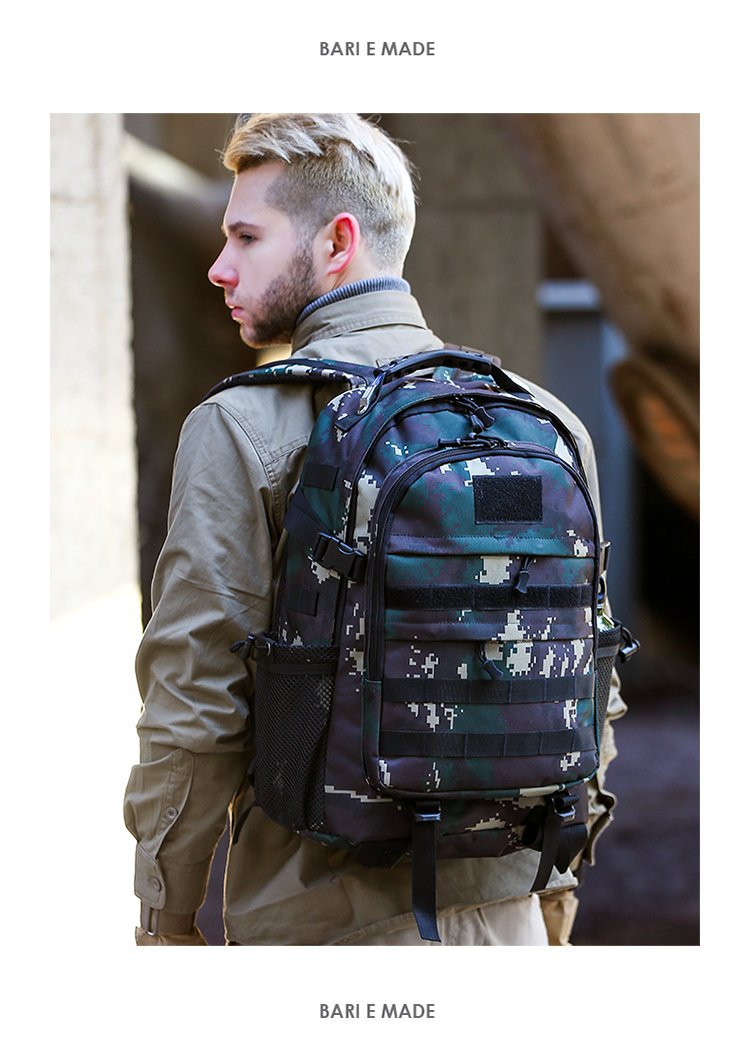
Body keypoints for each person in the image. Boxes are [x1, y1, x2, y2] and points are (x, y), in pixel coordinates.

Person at [124, 112, 625, 947]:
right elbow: (592, 683)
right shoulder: (549, 424)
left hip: (324, 929)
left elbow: (194, 696)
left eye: (247, 237)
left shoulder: (244, 424)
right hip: (513, 920)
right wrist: (555, 881)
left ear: (338, 241)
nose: (219, 267)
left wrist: (164, 912)